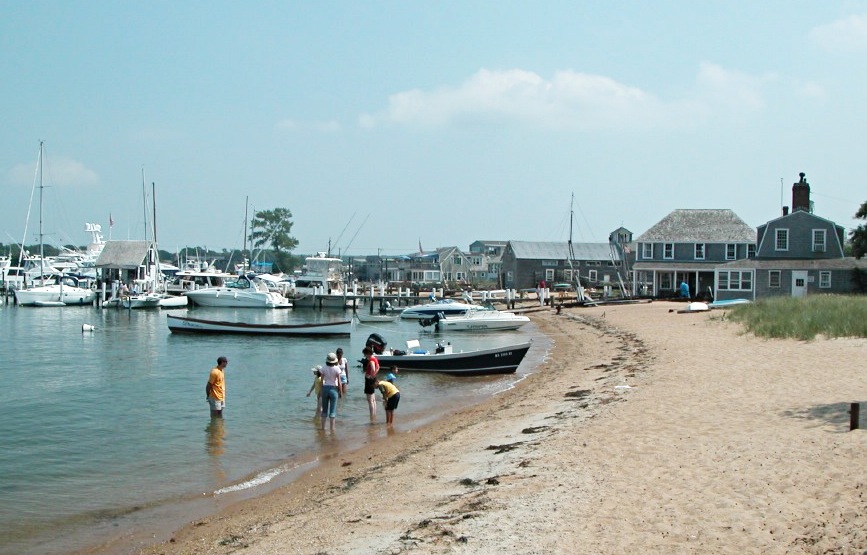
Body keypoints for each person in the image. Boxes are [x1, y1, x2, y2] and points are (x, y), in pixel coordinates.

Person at [319, 353, 342, 432]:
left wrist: (320, 391)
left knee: (324, 411)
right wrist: (340, 392)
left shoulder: (323, 368)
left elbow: (321, 381)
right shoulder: (337, 369)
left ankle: (323, 428)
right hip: (333, 389)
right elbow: (339, 381)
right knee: (332, 412)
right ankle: (332, 429)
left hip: (325, 388)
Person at [362, 346, 380, 421]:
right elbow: (378, 367)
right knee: (373, 399)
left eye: (365, 354)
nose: (364, 356)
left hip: (369, 380)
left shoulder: (371, 360)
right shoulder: (375, 358)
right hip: (372, 379)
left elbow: (373, 368)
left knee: (370, 400)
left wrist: (371, 376)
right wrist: (374, 375)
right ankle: (374, 415)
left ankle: (371, 416)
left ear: (368, 353)